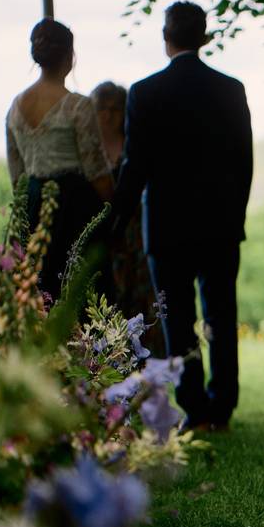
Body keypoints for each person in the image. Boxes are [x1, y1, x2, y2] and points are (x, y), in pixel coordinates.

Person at [114, 1, 253, 432]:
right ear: (205, 37)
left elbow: (134, 166)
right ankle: (222, 408)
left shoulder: (144, 92)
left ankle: (193, 408)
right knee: (221, 318)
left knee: (178, 323)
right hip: (220, 227)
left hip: (168, 230)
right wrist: (234, 215)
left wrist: (114, 222)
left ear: (166, 38)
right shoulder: (230, 89)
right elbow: (243, 162)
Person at [5, 18, 113, 300]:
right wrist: (113, 214)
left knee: (31, 292)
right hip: (73, 209)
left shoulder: (15, 107)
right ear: (69, 56)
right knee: (76, 293)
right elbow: (97, 171)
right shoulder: (78, 105)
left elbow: (16, 174)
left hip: (31, 205)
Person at [92, 81, 165, 357]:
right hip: (104, 233)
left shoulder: (131, 143)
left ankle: (146, 358)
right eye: (102, 109)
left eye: (115, 109)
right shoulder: (89, 148)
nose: (109, 115)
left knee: (140, 297)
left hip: (134, 231)